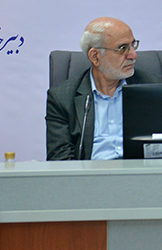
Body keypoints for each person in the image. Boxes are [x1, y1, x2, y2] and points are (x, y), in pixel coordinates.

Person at [45, 17, 141, 160]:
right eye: (122, 48)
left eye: (133, 45)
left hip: (139, 171)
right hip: (89, 172)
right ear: (95, 56)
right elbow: (60, 159)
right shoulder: (62, 98)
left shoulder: (153, 87)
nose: (133, 55)